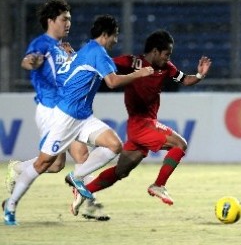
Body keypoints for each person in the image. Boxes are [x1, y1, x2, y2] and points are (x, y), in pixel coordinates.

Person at [2, 14, 154, 226]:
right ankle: (11, 205)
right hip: (65, 118)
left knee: (114, 145)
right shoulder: (96, 52)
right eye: (115, 35)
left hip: (83, 117)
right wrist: (140, 74)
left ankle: (77, 178)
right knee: (47, 163)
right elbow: (111, 81)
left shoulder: (89, 51)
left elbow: (94, 68)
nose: (116, 40)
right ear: (106, 34)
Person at [69, 29, 211, 215]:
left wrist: (199, 75)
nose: (168, 58)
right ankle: (158, 185)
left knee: (121, 172)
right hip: (141, 124)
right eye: (166, 54)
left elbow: (185, 80)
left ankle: (83, 192)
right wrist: (74, 56)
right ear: (155, 51)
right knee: (180, 144)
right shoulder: (131, 63)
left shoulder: (167, 67)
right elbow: (101, 63)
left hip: (142, 126)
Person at [4, 0, 109, 221]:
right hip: (52, 110)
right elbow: (27, 61)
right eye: (64, 19)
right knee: (80, 154)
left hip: (67, 109)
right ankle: (90, 204)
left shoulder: (64, 48)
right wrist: (33, 62)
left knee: (55, 165)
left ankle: (19, 169)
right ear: (51, 20)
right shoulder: (43, 43)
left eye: (69, 19)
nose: (68, 23)